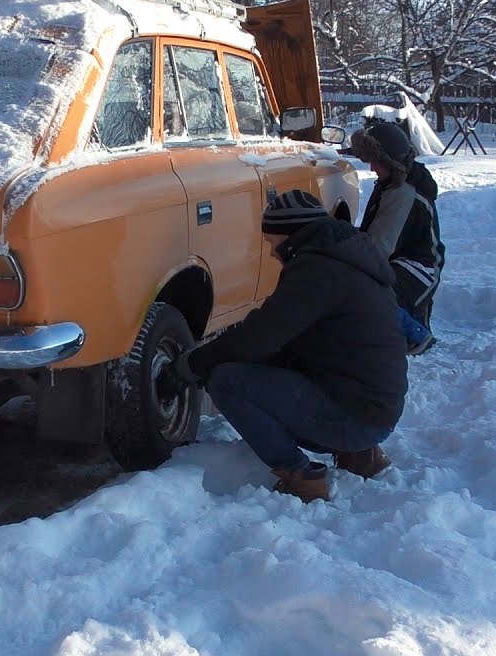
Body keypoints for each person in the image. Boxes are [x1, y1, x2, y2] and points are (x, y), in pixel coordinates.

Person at [162, 190, 408, 503]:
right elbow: (290, 341)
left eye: (271, 240)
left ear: (290, 233)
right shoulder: (348, 261)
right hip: (375, 410)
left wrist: (192, 365)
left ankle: (301, 476)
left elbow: (259, 337)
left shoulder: (318, 271)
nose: (271, 251)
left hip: (358, 417)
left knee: (226, 382)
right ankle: (360, 454)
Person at [349, 121, 446, 355]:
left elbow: (376, 249)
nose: (372, 167)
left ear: (390, 161)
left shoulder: (402, 193)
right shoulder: (396, 180)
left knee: (363, 286)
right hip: (410, 261)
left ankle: (415, 335)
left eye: (376, 161)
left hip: (418, 269)